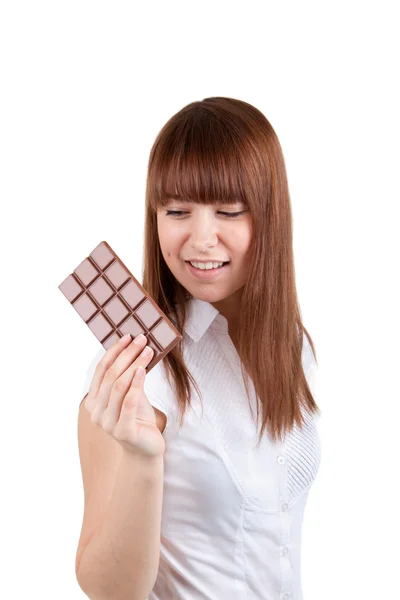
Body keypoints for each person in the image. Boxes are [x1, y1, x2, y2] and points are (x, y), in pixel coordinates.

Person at [75, 96, 322, 600]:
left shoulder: (295, 348)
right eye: (177, 211)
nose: (200, 238)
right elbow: (106, 589)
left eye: (228, 210)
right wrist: (142, 459)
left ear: (270, 217)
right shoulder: (138, 375)